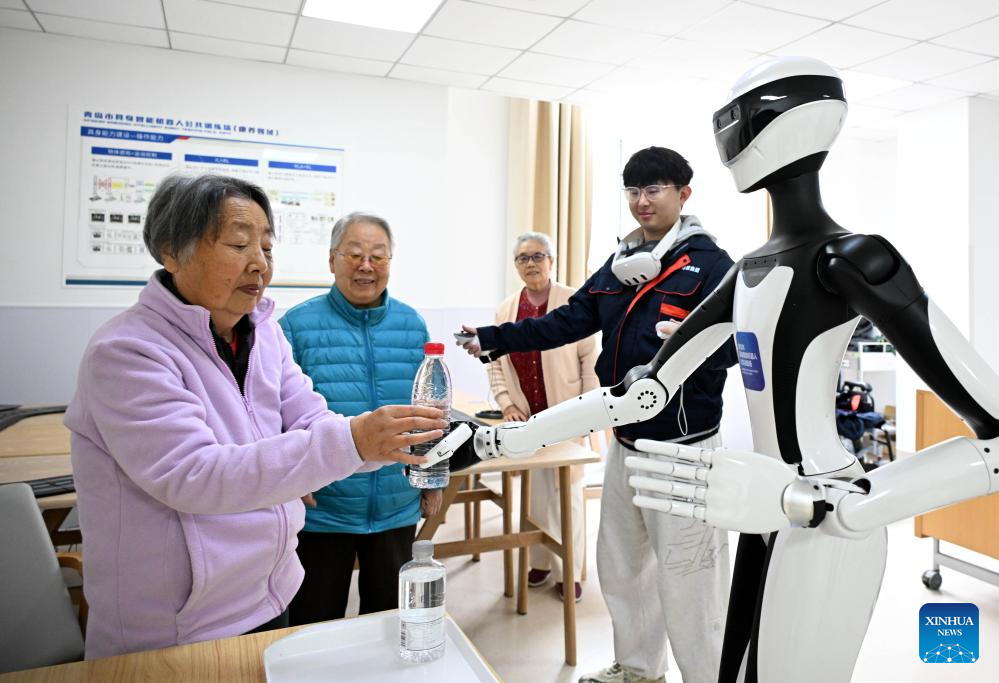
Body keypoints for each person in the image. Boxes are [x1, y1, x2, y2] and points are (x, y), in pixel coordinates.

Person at [64, 175, 446, 659]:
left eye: (266, 247)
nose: (259, 263)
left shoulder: (263, 334)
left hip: (270, 591)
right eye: (238, 243)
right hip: (176, 624)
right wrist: (354, 441)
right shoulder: (128, 352)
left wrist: (381, 442)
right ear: (171, 251)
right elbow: (195, 475)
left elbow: (312, 420)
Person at [461, 147, 737, 683]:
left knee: (690, 578)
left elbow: (739, 347)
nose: (642, 201)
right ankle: (639, 669)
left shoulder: (714, 267)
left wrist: (690, 345)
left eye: (654, 188)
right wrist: (493, 339)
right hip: (626, 442)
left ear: (684, 194)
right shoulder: (618, 268)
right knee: (623, 566)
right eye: (633, 191)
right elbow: (564, 322)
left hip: (684, 451)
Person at [280, 212, 442, 625]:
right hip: (322, 510)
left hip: (395, 504)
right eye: (353, 254)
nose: (366, 266)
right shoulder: (295, 326)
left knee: (388, 625)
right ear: (331, 260)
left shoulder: (412, 324)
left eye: (377, 256)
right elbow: (268, 412)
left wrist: (434, 477)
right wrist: (288, 479)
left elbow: (429, 411)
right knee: (311, 624)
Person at [488, 232, 599, 602]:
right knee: (535, 494)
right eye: (522, 258)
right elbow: (495, 365)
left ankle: (571, 569)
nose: (531, 263)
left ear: (551, 261)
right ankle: (539, 560)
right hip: (525, 420)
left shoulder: (573, 302)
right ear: (516, 266)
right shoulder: (506, 309)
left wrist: (585, 412)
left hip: (568, 413)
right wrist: (506, 404)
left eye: (538, 256)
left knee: (568, 492)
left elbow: (589, 362)